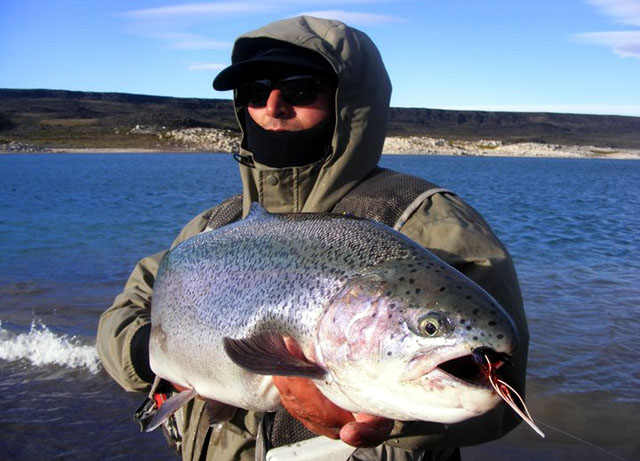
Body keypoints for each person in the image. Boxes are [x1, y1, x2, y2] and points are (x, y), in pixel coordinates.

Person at [97, 15, 529, 461]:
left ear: (349, 103)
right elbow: (121, 316)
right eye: (252, 92)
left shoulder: (430, 222)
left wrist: (382, 416)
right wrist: (156, 352)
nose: (273, 106)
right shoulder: (209, 230)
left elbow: (497, 397)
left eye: (301, 90)